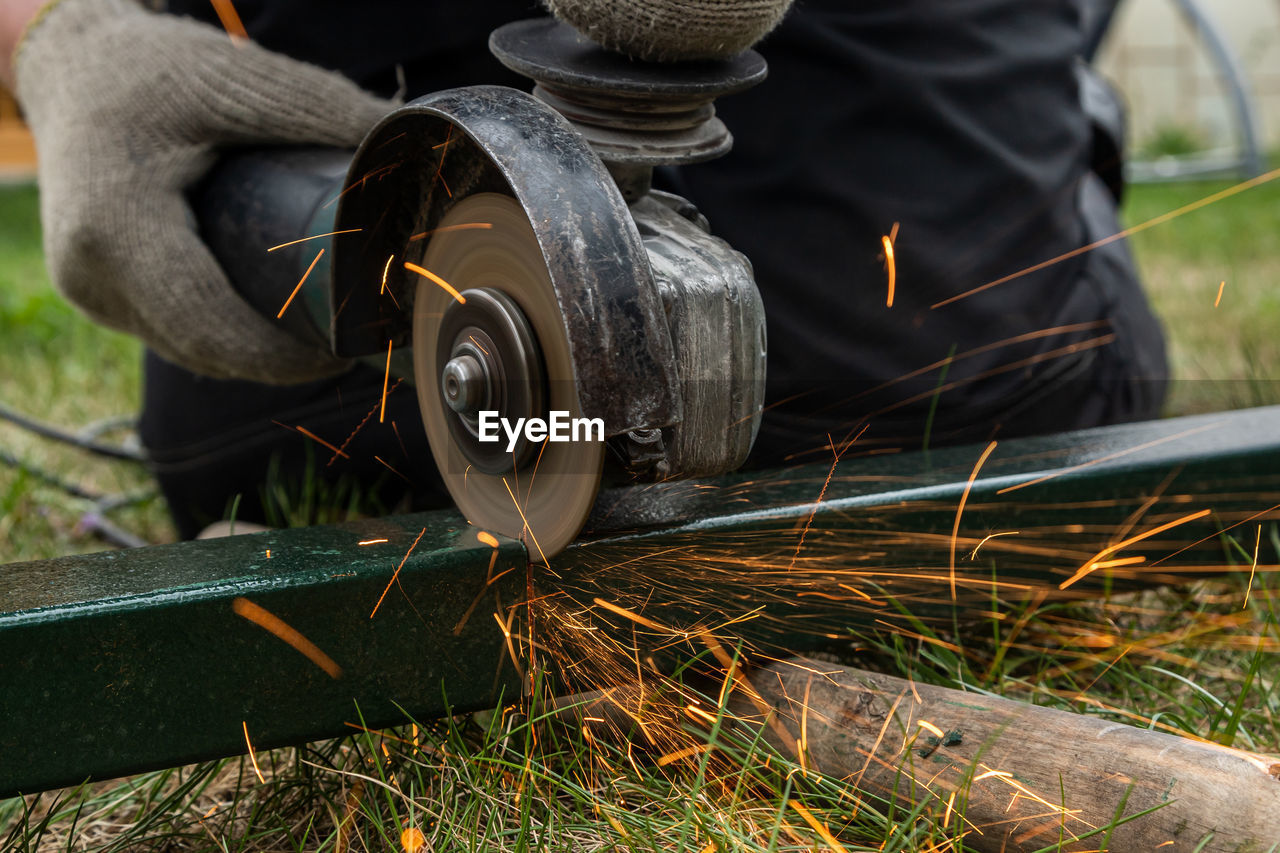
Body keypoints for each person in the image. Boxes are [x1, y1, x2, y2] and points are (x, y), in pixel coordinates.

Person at [1, 0, 1167, 537]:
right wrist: (52, 39)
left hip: (830, 59)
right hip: (363, 63)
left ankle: (1058, 121)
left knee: (961, 387)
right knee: (268, 455)